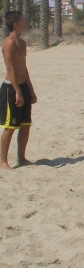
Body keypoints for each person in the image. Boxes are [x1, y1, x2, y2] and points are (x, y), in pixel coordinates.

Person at [0, 11, 37, 169]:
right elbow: (11, 69)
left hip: (22, 86)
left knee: (25, 124)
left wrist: (30, 89)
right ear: (15, 24)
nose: (25, 22)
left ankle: (21, 157)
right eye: (23, 20)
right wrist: (18, 92)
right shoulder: (9, 43)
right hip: (11, 88)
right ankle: (2, 161)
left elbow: (23, 67)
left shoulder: (22, 43)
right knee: (11, 126)